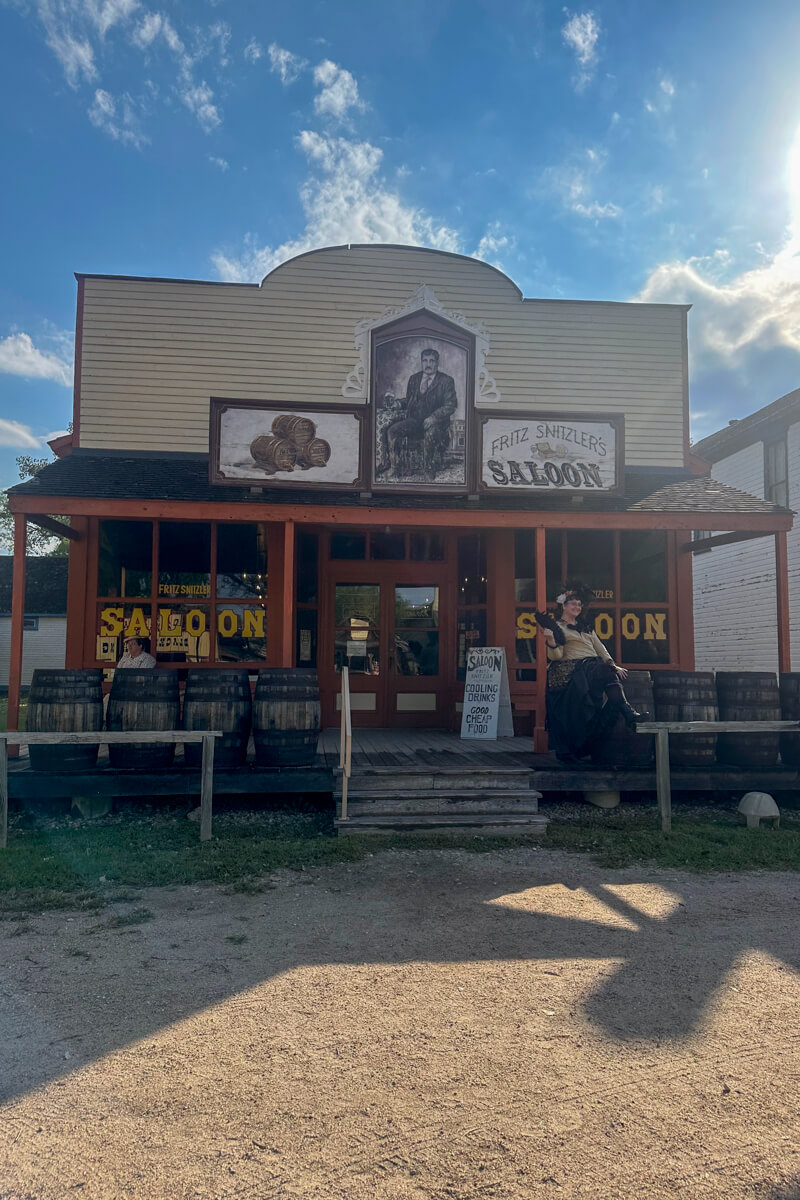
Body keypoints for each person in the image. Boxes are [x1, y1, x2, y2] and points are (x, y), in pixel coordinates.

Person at [538, 585, 646, 763]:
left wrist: (613, 665)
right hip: (573, 671)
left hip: (592, 669)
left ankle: (626, 712)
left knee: (606, 672)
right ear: (563, 606)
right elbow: (556, 656)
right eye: (573, 604)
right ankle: (628, 712)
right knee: (599, 675)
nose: (577, 607)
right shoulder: (558, 628)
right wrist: (550, 640)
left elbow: (600, 648)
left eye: (579, 605)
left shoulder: (586, 628)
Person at [378, 348, 458, 479]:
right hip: (415, 421)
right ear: (421, 362)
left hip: (437, 424)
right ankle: (394, 467)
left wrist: (433, 417)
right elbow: (410, 400)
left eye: (431, 361)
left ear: (437, 363)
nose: (428, 364)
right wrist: (396, 404)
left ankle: (428, 469)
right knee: (392, 431)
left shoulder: (446, 381)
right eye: (425, 361)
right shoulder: (414, 379)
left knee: (430, 433)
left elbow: (451, 405)